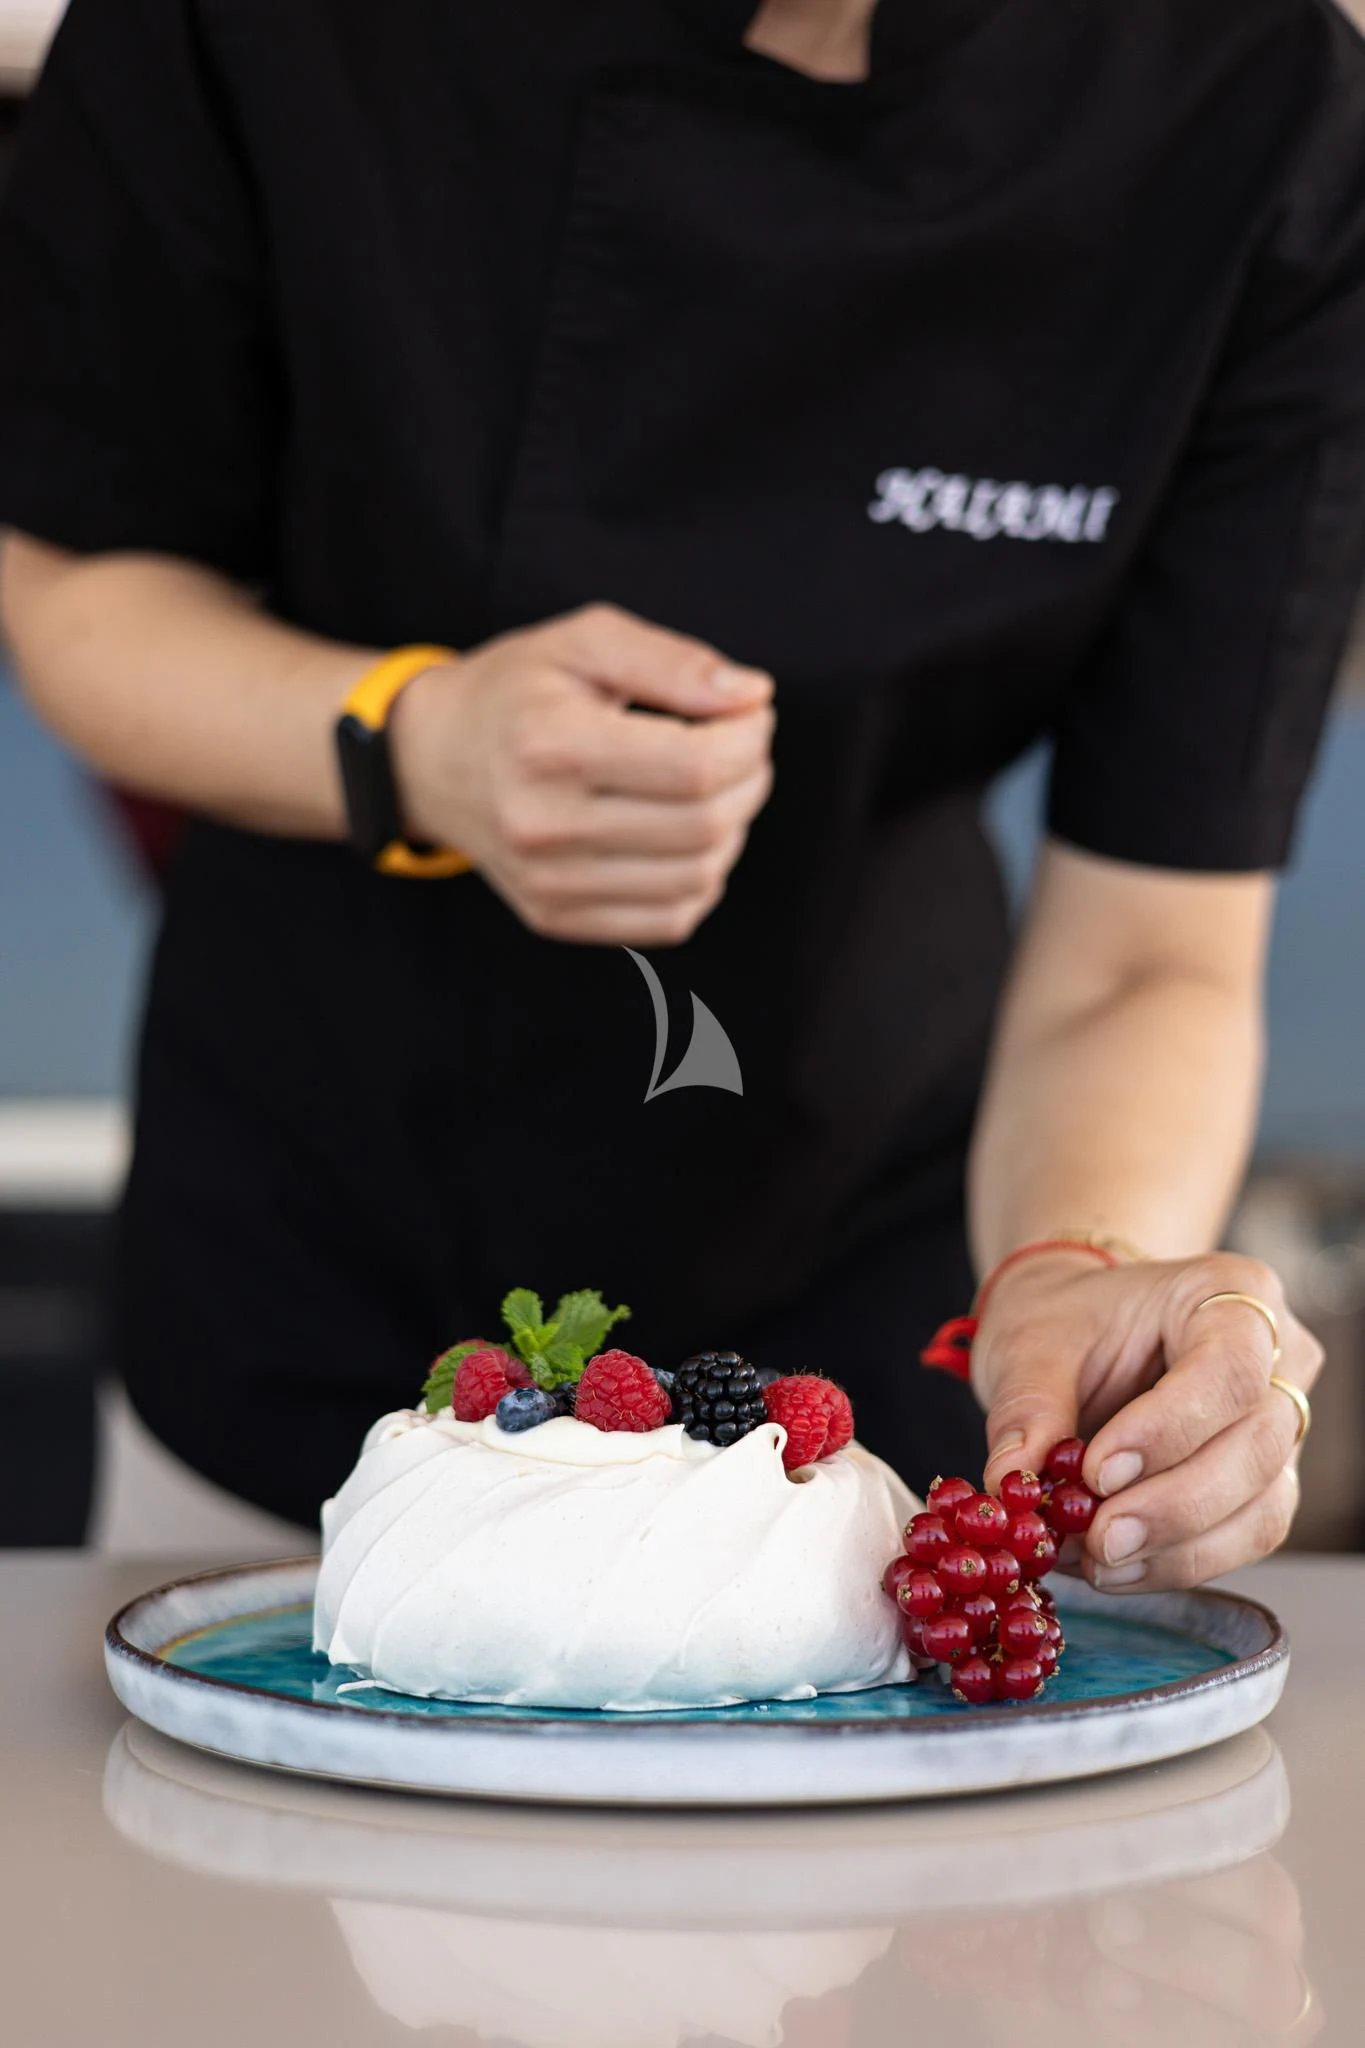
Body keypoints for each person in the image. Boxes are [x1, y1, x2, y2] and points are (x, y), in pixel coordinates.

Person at [0, 0, 1359, 1592]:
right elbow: (78, 589)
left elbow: (1154, 947)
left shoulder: (1251, 111)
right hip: (315, 1273)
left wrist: (1074, 1269)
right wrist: (413, 739)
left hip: (860, 1301)